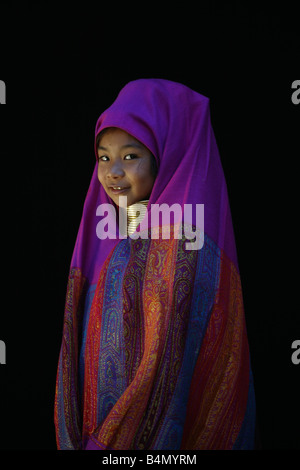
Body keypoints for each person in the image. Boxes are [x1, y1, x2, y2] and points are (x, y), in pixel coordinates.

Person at [54, 78, 256, 450]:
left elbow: (167, 375)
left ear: (169, 153)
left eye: (130, 156)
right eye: (103, 157)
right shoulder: (104, 239)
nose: (113, 172)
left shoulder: (186, 249)